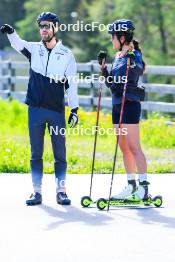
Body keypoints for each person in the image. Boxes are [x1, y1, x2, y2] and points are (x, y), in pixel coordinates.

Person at [0, 12, 79, 206]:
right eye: (41, 26)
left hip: (56, 112)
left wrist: (74, 110)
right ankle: (36, 191)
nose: (43, 29)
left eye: (47, 25)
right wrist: (11, 32)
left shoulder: (67, 55)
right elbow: (18, 44)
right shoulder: (34, 49)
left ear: (56, 28)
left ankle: (61, 191)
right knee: (36, 153)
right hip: (35, 109)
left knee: (60, 154)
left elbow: (72, 85)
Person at [97, 19, 149, 201]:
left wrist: (134, 62)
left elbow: (140, 70)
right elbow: (113, 85)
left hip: (130, 105)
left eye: (113, 37)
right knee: (124, 148)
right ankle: (131, 185)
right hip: (117, 105)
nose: (111, 41)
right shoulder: (118, 57)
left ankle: (143, 188)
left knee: (135, 147)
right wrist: (104, 71)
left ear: (122, 37)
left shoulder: (133, 55)